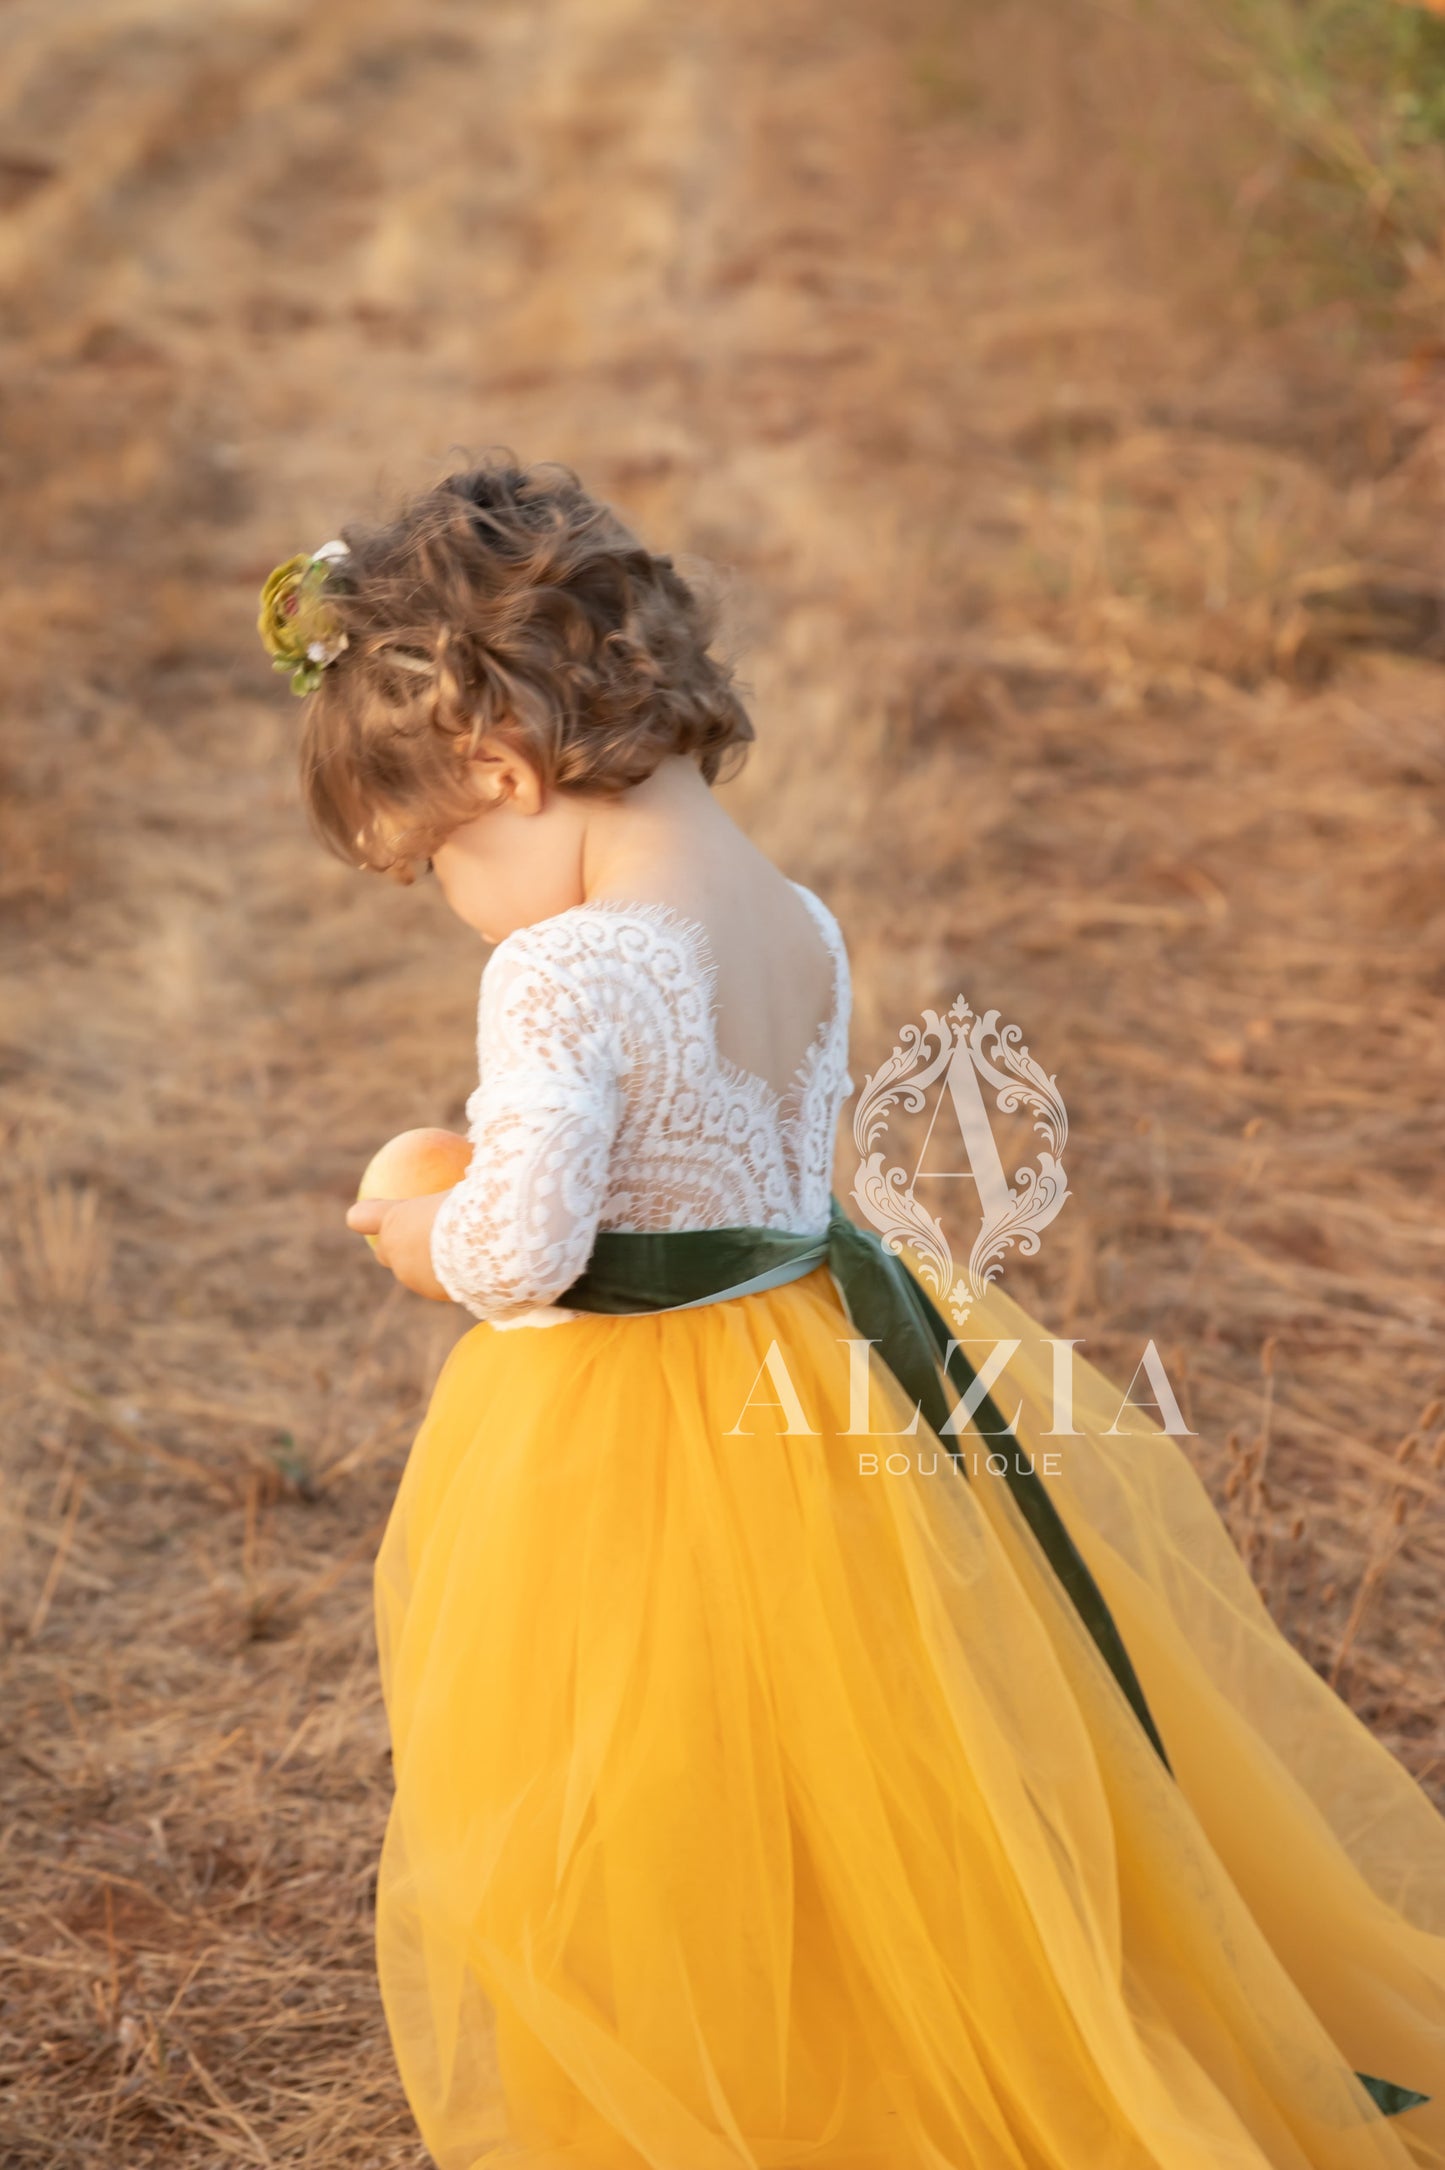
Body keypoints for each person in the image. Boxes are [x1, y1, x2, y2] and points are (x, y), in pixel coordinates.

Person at [259, 457, 1445, 2169]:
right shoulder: (791, 916)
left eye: (435, 858)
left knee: (648, 1769)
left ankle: (740, 2075)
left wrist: (408, 1219)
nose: (451, 897)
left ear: (499, 769)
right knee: (886, 1749)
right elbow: (735, 1158)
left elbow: (523, 1248)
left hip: (643, 1423)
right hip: (827, 1359)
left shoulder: (563, 964)